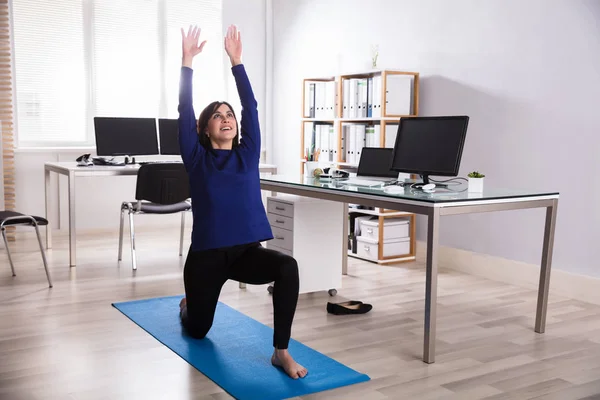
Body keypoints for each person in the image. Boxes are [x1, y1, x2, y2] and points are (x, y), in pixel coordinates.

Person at [177, 24, 308, 380]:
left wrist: (237, 62)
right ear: (205, 128)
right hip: (206, 259)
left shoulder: (248, 154)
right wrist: (187, 61)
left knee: (287, 266)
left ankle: (281, 351)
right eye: (217, 116)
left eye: (229, 115)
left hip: (245, 253)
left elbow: (249, 105)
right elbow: (185, 110)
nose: (227, 119)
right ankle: (188, 306)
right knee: (198, 330)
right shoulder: (196, 157)